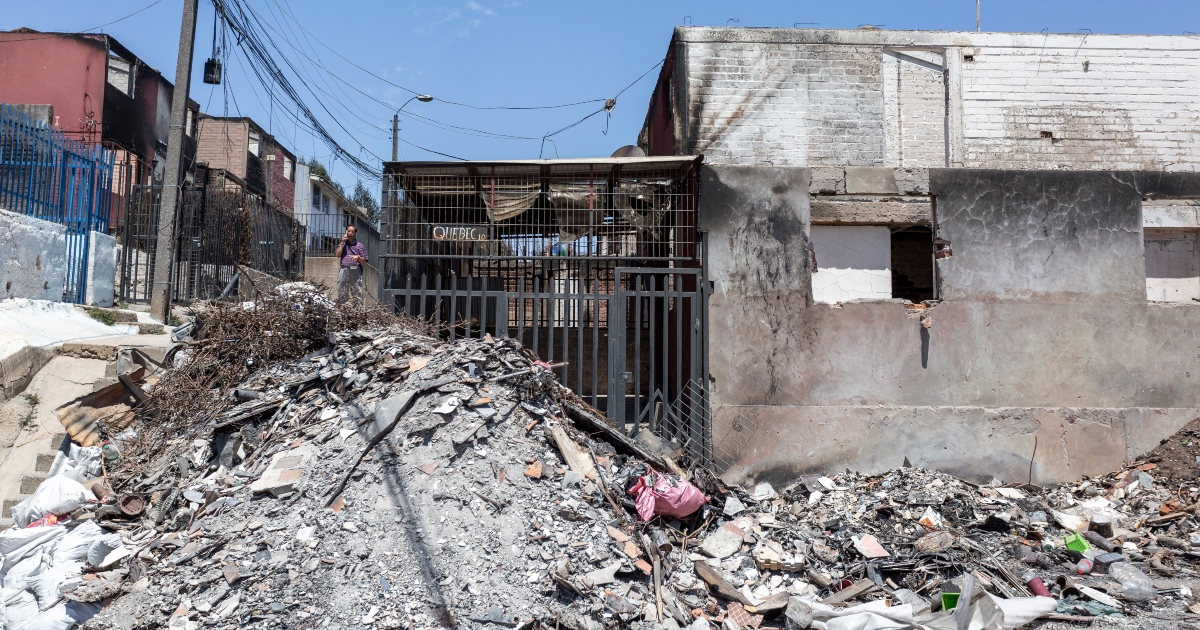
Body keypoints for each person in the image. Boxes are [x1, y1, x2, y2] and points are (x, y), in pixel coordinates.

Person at [335, 225, 368, 302]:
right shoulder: (342, 245)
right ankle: (343, 309)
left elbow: (365, 260)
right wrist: (343, 242)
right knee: (342, 290)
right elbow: (337, 255)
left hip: (355, 270)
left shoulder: (360, 246)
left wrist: (358, 257)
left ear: (355, 233)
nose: (350, 233)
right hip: (343, 269)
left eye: (352, 231)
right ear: (346, 232)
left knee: (356, 291)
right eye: (348, 231)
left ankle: (357, 311)